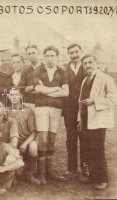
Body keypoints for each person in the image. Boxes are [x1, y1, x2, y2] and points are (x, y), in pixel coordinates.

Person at [77, 54, 115, 190]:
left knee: (98, 149)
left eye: (90, 62)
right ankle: (92, 176)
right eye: (85, 63)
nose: (88, 65)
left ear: (96, 62)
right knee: (88, 149)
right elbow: (80, 101)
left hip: (98, 120)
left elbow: (112, 99)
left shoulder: (106, 78)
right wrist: (79, 119)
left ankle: (103, 179)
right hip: (86, 119)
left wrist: (95, 101)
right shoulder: (84, 80)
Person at [34, 46, 69, 184]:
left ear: (57, 56)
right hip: (41, 108)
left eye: (52, 55)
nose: (49, 58)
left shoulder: (62, 71)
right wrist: (56, 88)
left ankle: (50, 171)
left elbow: (66, 92)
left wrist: (45, 91)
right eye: (47, 55)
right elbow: (37, 88)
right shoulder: (39, 70)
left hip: (56, 108)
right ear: (44, 57)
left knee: (52, 139)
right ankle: (41, 173)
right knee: (42, 139)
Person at [63, 44, 87, 179]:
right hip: (69, 110)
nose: (74, 55)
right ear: (69, 55)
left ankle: (85, 168)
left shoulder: (87, 66)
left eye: (76, 52)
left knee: (85, 139)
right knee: (70, 139)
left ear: (81, 52)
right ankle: (71, 168)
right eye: (71, 53)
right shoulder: (65, 69)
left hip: (84, 109)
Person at [7, 87, 40, 185]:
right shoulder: (5, 110)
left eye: (16, 95)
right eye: (11, 95)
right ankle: (12, 174)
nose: (14, 97)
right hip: (12, 141)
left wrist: (25, 144)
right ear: (8, 97)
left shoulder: (28, 111)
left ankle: (29, 173)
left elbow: (34, 132)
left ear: (21, 96)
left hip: (25, 141)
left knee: (33, 147)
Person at [18, 45, 41, 109]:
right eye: (29, 54)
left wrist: (29, 89)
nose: (31, 55)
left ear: (38, 53)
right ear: (27, 56)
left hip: (43, 103)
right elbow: (20, 88)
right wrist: (35, 87)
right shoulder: (25, 70)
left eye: (33, 53)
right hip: (29, 103)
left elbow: (48, 87)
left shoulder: (45, 68)